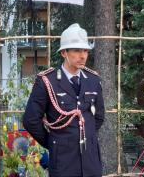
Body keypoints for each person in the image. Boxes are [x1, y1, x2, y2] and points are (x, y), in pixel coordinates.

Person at [23, 23, 105, 177]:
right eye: (77, 50)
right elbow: (30, 120)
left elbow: (99, 116)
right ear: (64, 53)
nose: (83, 55)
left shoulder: (93, 80)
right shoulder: (47, 81)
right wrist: (54, 143)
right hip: (63, 162)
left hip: (91, 162)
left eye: (86, 51)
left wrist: (85, 135)